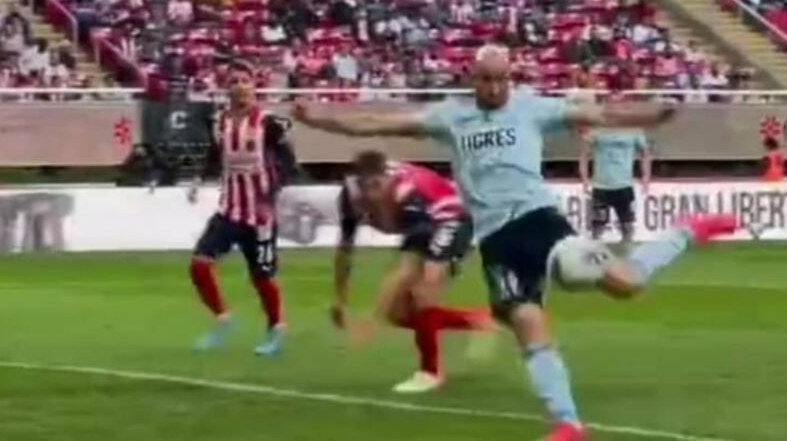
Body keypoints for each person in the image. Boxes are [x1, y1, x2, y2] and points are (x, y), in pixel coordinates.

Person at [293, 45, 739, 441]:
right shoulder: (450, 117)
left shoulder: (532, 108)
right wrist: (318, 119)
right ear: (473, 79)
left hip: (540, 222)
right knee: (526, 320)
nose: (494, 88)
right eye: (486, 79)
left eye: (501, 79)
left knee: (626, 283)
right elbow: (375, 122)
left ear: (511, 78)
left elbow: (598, 115)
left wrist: (654, 116)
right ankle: (569, 425)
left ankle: (686, 229)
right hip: (496, 241)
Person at [330, 150, 493, 394]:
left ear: (385, 179)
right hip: (426, 223)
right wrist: (339, 299)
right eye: (366, 189)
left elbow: (406, 271)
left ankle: (430, 372)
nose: (372, 195)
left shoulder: (408, 196)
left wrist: (370, 322)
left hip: (451, 221)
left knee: (422, 293)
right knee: (397, 314)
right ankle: (478, 319)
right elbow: (345, 250)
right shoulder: (350, 197)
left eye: (377, 186)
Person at [187, 62, 299, 357]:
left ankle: (276, 329)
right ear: (228, 88)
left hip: (261, 217)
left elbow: (289, 162)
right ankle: (223, 319)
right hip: (229, 211)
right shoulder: (218, 122)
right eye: (234, 81)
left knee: (262, 277)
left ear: (254, 85)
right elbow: (214, 154)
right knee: (199, 265)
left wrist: (272, 192)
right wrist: (198, 179)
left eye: (245, 81)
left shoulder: (269, 123)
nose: (240, 86)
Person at [580, 116, 650, 249]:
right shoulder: (597, 129)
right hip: (601, 186)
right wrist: (585, 179)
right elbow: (584, 155)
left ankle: (627, 254)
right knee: (597, 228)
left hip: (624, 185)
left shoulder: (633, 130)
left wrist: (646, 176)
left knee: (627, 227)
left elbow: (645, 153)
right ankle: (594, 255)